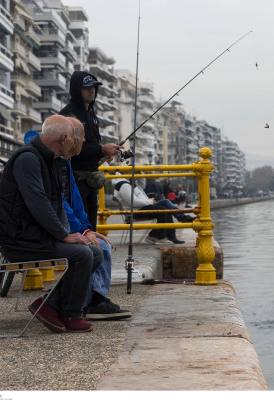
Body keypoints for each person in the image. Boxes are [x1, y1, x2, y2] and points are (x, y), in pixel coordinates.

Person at [0, 115, 102, 333]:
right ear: (63, 138)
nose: (73, 143)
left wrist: (75, 233)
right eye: (72, 139)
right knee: (83, 254)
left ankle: (50, 305)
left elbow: (55, 204)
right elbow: (37, 202)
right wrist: (64, 235)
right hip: (19, 241)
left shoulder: (47, 160)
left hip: (33, 235)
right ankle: (70, 313)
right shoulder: (28, 159)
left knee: (93, 252)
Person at [63, 117, 131, 320]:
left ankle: (94, 300)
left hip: (66, 226)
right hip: (45, 234)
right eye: (82, 137)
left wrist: (86, 228)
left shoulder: (64, 164)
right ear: (69, 139)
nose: (84, 141)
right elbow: (57, 205)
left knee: (100, 243)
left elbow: (75, 204)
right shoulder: (53, 164)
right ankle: (83, 304)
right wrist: (78, 231)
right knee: (95, 249)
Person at [59, 71, 122, 231]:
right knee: (80, 226)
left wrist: (105, 153)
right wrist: (101, 149)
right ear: (76, 90)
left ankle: (93, 254)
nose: (92, 90)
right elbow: (72, 149)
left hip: (91, 180)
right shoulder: (68, 114)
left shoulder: (92, 114)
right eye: (86, 87)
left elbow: (92, 146)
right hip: (75, 180)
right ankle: (82, 255)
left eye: (94, 87)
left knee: (91, 227)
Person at [112, 175, 184, 245]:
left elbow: (143, 184)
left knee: (166, 206)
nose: (138, 175)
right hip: (135, 211)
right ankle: (158, 236)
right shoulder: (124, 185)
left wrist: (140, 172)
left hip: (142, 206)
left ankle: (170, 236)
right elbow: (133, 202)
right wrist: (150, 201)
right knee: (163, 211)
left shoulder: (132, 183)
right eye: (137, 173)